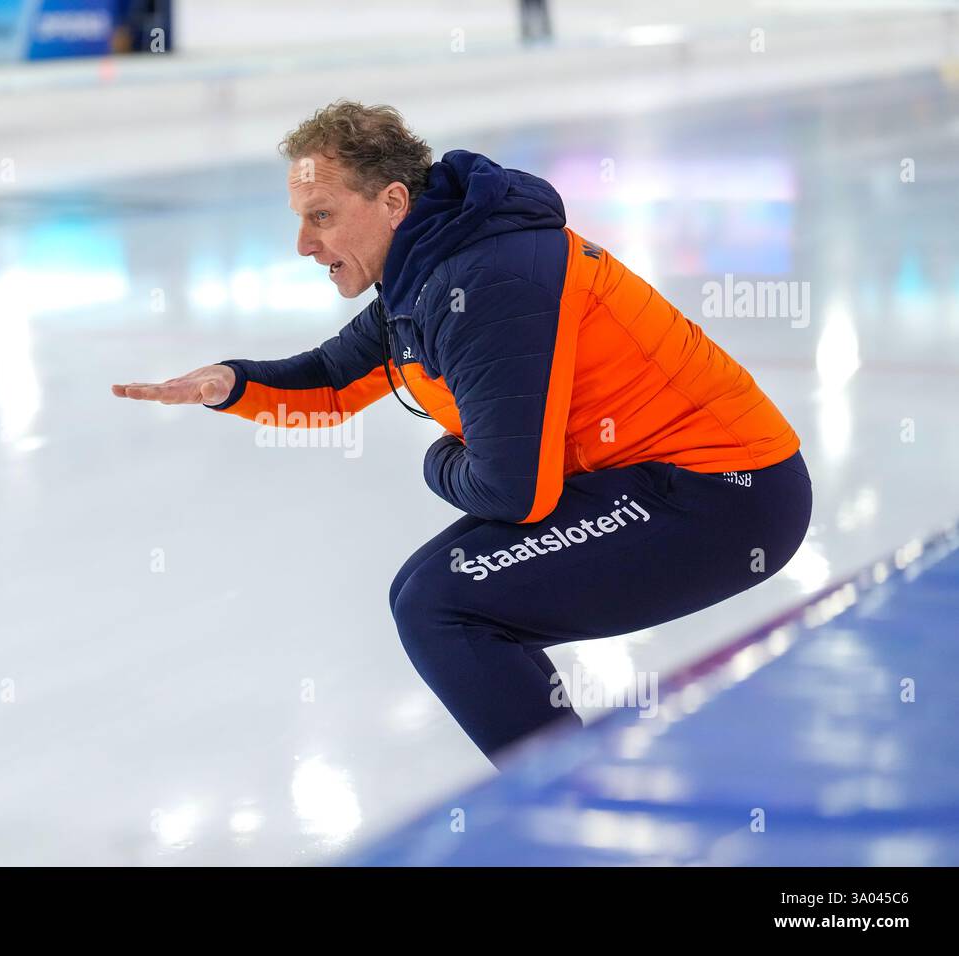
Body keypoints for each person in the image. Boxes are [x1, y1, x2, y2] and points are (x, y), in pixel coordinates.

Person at [112, 101, 813, 769]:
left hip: (728, 494)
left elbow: (514, 493)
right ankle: (568, 789)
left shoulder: (486, 283)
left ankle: (570, 809)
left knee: (441, 606)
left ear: (392, 202)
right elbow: (329, 384)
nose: (304, 244)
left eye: (320, 216)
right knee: (422, 593)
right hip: (655, 476)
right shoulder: (426, 273)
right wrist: (229, 384)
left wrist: (437, 461)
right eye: (301, 220)